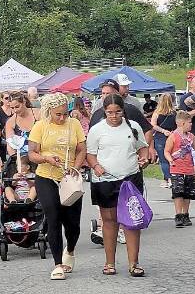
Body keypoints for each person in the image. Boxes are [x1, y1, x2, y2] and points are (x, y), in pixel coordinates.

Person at [86, 94, 150, 276]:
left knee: (132, 221)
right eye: (109, 113)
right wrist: (96, 166)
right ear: (104, 112)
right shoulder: (97, 130)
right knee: (110, 221)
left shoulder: (133, 127)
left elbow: (142, 147)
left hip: (130, 178)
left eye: (118, 112)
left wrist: (144, 158)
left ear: (123, 111)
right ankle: (109, 263)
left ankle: (134, 263)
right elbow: (90, 154)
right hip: (105, 180)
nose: (114, 116)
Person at [28, 92, 87, 281]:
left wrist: (75, 168)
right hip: (46, 177)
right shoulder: (40, 126)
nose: (62, 118)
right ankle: (57, 264)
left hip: (69, 179)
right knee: (53, 218)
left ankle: (70, 249)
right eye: (57, 114)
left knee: (73, 224)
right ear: (49, 112)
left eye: (65, 114)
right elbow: (32, 154)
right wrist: (45, 158)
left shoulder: (74, 124)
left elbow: (82, 149)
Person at [89, 78, 154, 245]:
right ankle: (107, 233)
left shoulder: (131, 111)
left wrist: (145, 154)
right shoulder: (97, 114)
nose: (105, 97)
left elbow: (146, 132)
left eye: (109, 93)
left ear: (117, 94)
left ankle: (127, 236)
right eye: (102, 94)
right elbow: (91, 149)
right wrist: (95, 165)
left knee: (128, 211)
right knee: (108, 215)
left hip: (129, 173)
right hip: (105, 176)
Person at [164, 111, 195, 228]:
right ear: (181, 123)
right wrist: (170, 159)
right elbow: (166, 150)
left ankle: (186, 213)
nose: (191, 124)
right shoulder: (173, 136)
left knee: (188, 193)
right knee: (178, 192)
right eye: (189, 122)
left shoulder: (191, 136)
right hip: (177, 169)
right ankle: (178, 215)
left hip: (189, 168)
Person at [151, 93, 177, 188]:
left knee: (163, 160)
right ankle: (170, 178)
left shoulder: (157, 113)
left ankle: (168, 178)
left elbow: (153, 125)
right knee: (171, 158)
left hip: (160, 136)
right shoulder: (174, 113)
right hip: (172, 136)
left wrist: (162, 130)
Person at [5, 91, 39, 158]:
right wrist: (15, 160)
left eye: (17, 107)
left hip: (40, 155)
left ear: (24, 102)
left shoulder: (38, 114)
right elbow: (10, 145)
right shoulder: (11, 122)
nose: (15, 110)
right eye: (12, 108)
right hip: (22, 159)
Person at [0, 92, 13, 162]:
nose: (8, 100)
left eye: (10, 98)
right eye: (6, 98)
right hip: (2, 140)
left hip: (13, 138)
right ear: (2, 99)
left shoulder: (14, 110)